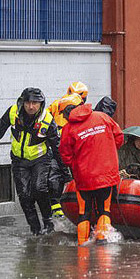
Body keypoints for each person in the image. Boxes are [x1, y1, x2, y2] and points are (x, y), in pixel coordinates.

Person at [0, 87, 67, 235]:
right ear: (22, 102)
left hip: (41, 159)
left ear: (41, 104)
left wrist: (65, 171)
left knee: (39, 189)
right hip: (19, 160)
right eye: (28, 103)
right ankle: (36, 231)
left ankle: (48, 223)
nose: (31, 107)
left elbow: (56, 147)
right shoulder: (13, 112)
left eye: (35, 103)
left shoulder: (47, 120)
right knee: (24, 196)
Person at [58, 94, 124, 245]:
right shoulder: (103, 118)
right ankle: (102, 240)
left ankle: (82, 244)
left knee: (84, 211)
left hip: (84, 178)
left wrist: (77, 165)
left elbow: (65, 155)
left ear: (68, 112)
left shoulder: (68, 129)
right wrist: (108, 153)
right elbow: (119, 138)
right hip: (106, 175)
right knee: (104, 209)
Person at [46, 81, 89, 218]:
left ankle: (59, 205)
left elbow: (45, 116)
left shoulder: (57, 103)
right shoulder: (76, 106)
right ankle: (61, 205)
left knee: (57, 174)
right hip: (64, 144)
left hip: (64, 144)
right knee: (60, 174)